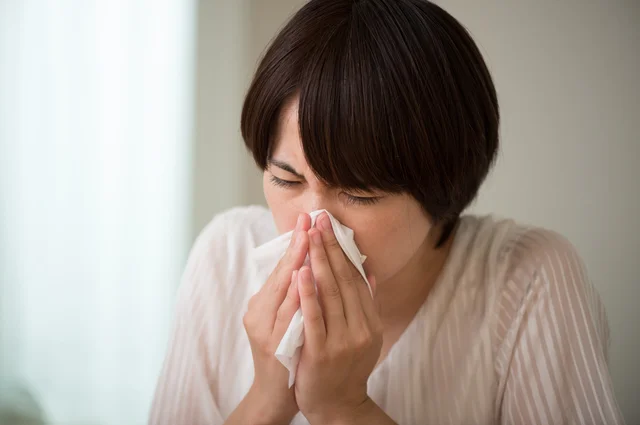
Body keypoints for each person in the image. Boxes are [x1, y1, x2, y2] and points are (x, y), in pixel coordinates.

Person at [149, 0, 623, 424]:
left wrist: (343, 409)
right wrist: (268, 399)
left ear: (444, 189)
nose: (312, 224)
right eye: (288, 180)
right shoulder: (226, 253)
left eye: (359, 193)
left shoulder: (529, 280)